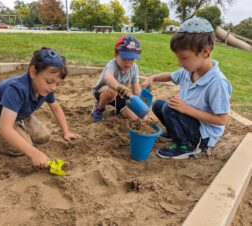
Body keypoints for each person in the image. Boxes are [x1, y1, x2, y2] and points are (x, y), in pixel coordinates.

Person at [141, 17, 232, 159]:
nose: (180, 63)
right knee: (159, 105)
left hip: (204, 134)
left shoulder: (217, 83)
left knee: (170, 108)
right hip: (189, 120)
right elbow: (170, 76)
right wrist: (152, 78)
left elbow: (222, 119)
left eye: (184, 58)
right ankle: (176, 133)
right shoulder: (190, 71)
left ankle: (186, 146)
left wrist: (186, 109)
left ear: (205, 52)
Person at [0, 47, 80, 168]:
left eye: (57, 83)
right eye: (49, 81)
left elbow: (56, 108)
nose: (53, 88)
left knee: (44, 137)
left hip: (19, 113)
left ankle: (18, 124)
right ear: (33, 72)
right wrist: (34, 153)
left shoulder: (46, 89)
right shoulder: (16, 90)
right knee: (22, 147)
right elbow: (5, 128)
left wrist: (66, 132)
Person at [91, 35, 142, 121]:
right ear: (116, 54)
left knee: (135, 118)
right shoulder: (112, 65)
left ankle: (120, 109)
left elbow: (136, 90)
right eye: (125, 58)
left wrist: (139, 105)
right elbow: (107, 77)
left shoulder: (134, 67)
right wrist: (118, 87)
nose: (128, 63)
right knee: (111, 91)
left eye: (132, 59)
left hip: (120, 96)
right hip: (103, 92)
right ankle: (99, 109)